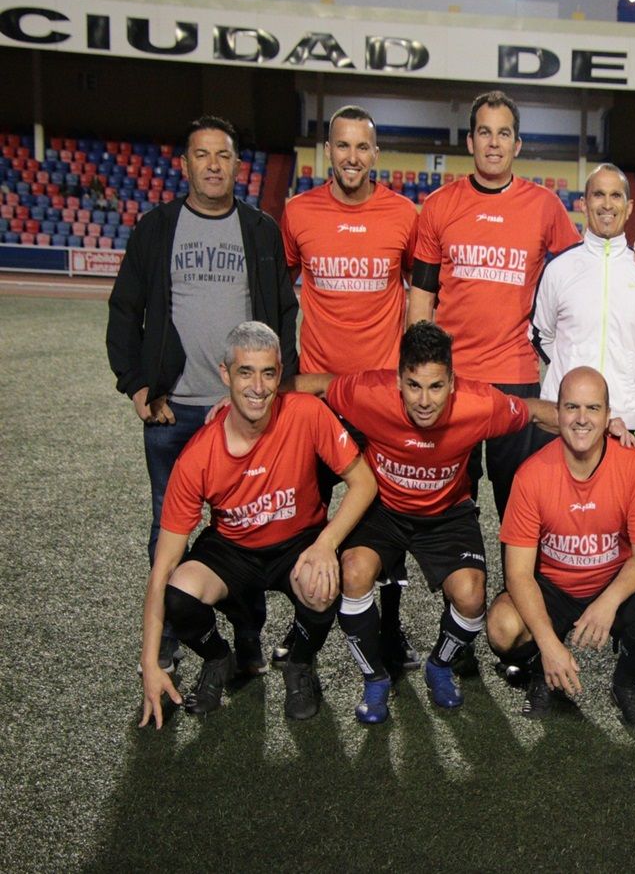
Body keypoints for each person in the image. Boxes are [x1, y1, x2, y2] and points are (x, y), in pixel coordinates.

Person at [406, 90, 635, 520]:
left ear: (517, 144)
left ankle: (515, 587)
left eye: (503, 133)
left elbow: (588, 268)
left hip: (518, 381)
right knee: (446, 502)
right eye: (484, 132)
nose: (493, 143)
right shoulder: (438, 206)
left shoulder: (544, 207)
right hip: (454, 381)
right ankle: (460, 586)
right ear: (470, 141)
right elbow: (422, 298)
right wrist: (416, 368)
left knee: (519, 503)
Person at [107, 115, 297, 675]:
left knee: (250, 528)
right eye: (202, 155)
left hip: (244, 410)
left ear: (239, 165)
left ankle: (248, 635)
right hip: (175, 407)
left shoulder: (261, 229)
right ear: (185, 164)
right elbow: (125, 310)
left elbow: (284, 313)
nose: (213, 165)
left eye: (223, 156)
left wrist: (271, 388)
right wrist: (138, 385)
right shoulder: (156, 228)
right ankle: (170, 633)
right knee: (167, 523)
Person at [294, 322, 558, 722]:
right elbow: (319, 383)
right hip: (383, 508)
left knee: (471, 596)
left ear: (453, 382)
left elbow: (535, 412)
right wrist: (249, 399)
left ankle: (439, 665)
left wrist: (600, 423)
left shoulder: (479, 404)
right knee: (353, 573)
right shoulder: (367, 393)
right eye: (414, 385)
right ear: (398, 381)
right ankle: (375, 679)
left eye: (436, 387)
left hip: (447, 513)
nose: (424, 400)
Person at [138, 322, 376, 729]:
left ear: (279, 374)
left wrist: (325, 544)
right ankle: (218, 659)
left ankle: (300, 666)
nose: (258, 386)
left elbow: (364, 482)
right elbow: (162, 569)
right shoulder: (198, 457)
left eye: (268, 373)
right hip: (232, 547)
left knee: (321, 587)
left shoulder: (305, 413)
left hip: (297, 541)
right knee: (179, 594)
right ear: (225, 375)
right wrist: (149, 662)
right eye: (245, 372)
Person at [277, 104, 421, 675]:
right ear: (327, 151)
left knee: (388, 518)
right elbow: (278, 290)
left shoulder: (405, 215)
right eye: (342, 146)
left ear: (376, 154)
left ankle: (391, 632)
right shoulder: (297, 213)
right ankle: (304, 631)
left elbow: (423, 292)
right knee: (304, 513)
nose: (352, 157)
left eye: (363, 147)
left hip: (383, 399)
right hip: (317, 396)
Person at [487, 367, 635, 729]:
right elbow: (518, 573)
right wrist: (550, 646)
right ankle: (542, 668)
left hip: (609, 581)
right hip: (553, 587)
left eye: (592, 408)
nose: (582, 419)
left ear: (608, 417)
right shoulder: (532, 474)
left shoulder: (633, 466)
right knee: (502, 627)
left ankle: (625, 683)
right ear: (556, 415)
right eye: (572, 407)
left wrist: (609, 601)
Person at [530, 163, 635, 475]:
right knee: (555, 520)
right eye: (598, 195)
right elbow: (542, 336)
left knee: (633, 523)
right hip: (564, 423)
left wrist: (629, 369)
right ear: (583, 203)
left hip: (630, 422)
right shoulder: (559, 270)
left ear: (629, 206)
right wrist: (573, 366)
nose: (607, 204)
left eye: (616, 196)